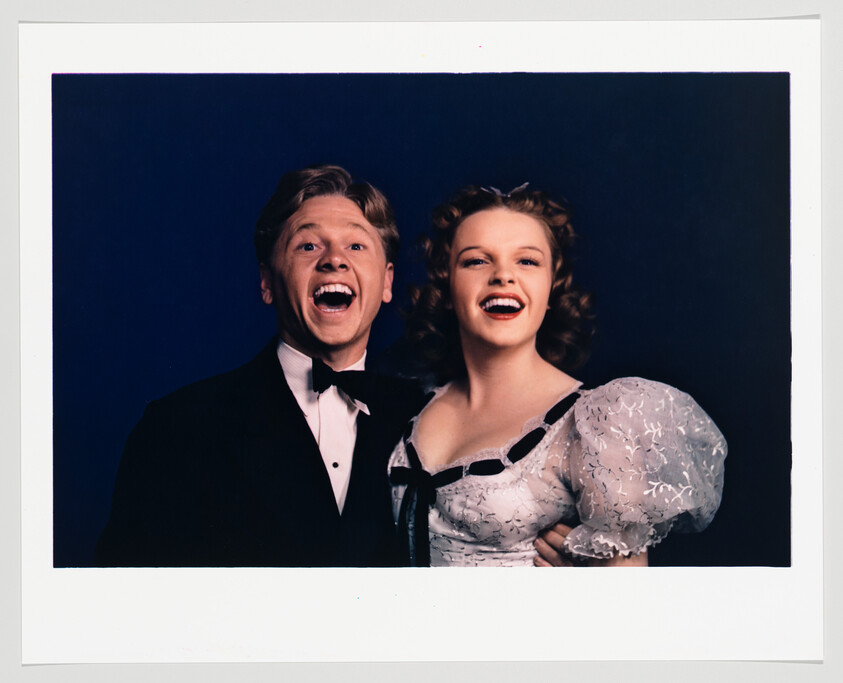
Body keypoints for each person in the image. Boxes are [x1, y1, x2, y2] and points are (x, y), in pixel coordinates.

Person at [95, 164, 427, 567]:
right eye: (308, 246)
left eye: (356, 246)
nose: (334, 260)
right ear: (267, 282)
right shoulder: (179, 426)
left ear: (387, 282)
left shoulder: (432, 417)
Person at [388, 183, 727, 567]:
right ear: (448, 286)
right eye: (477, 261)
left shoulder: (599, 425)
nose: (503, 276)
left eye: (527, 261)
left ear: (551, 287)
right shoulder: (408, 403)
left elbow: (629, 609)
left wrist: (582, 591)